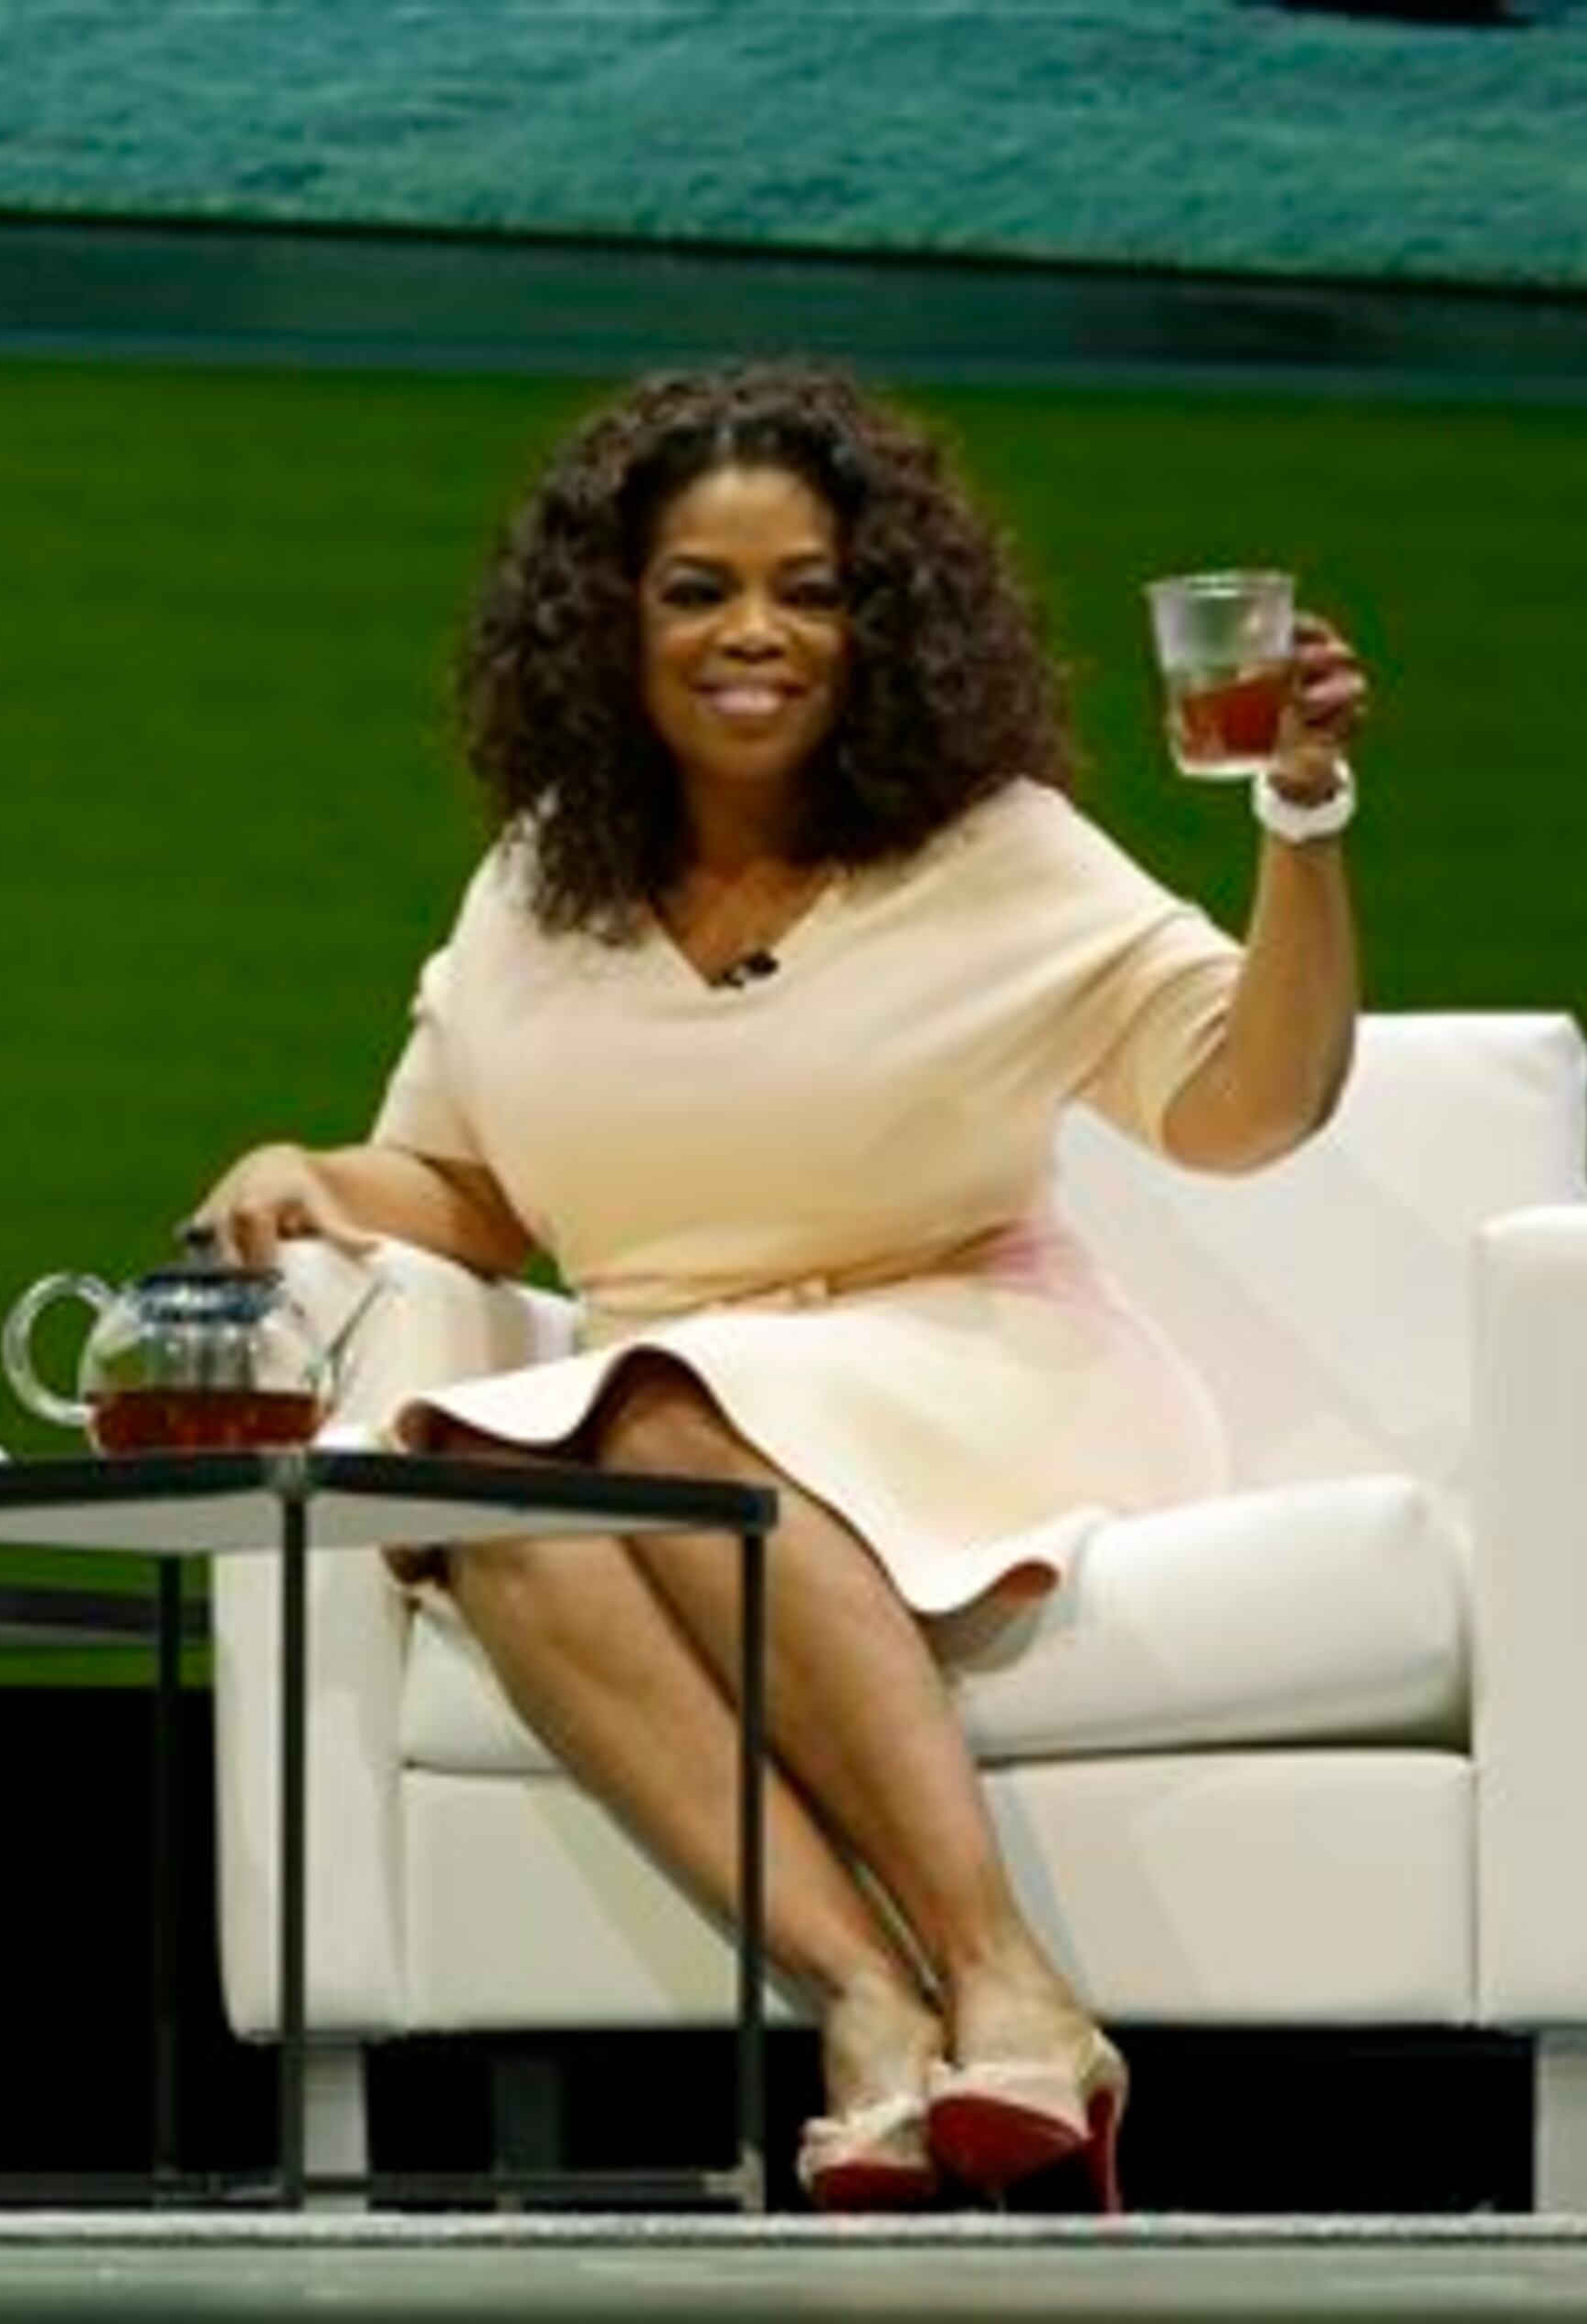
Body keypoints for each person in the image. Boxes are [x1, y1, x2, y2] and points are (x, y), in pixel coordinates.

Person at [192, 362, 1369, 2214]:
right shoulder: (542, 879)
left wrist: (1301, 821)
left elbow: (1250, 1108)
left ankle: (1014, 1981)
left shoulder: (991, 850)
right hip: (674, 1400)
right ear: (612, 620)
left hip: (979, 1354)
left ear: (878, 620)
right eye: (698, 590)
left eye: (808, 590)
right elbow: (478, 1197)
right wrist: (310, 1175)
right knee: (486, 1489)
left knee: (650, 1400)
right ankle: (871, 2006)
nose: (757, 634)